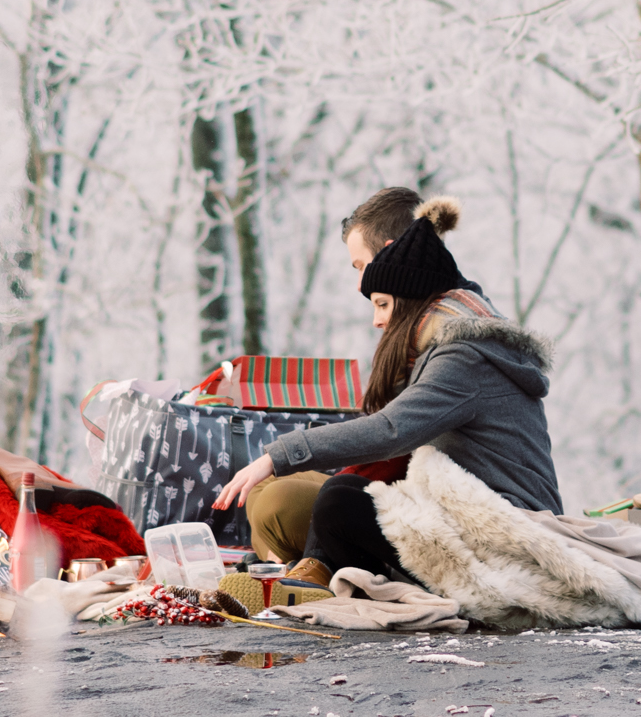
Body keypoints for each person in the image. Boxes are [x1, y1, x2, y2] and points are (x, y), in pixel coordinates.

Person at [215, 193, 560, 587]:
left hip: (499, 537)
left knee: (331, 500)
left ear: (394, 262)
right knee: (289, 490)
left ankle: (314, 573)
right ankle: (305, 571)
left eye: (364, 270)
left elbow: (391, 431)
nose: (374, 315)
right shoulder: (440, 338)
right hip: (447, 507)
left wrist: (279, 454)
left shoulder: (463, 355)